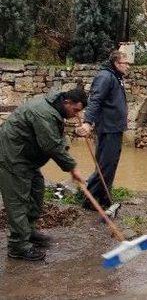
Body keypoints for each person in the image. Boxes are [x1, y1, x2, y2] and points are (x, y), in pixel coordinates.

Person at [0, 89, 87, 261]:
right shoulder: (44, 113)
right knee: (18, 201)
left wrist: (70, 144)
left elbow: (57, 138)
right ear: (67, 102)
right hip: (12, 157)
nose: (77, 114)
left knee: (36, 194)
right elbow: (51, 146)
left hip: (27, 157)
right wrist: (72, 167)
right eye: (76, 110)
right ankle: (18, 247)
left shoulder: (56, 109)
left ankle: (29, 232)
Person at [76, 50, 129, 210]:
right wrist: (87, 122)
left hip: (115, 128)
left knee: (110, 165)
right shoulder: (105, 77)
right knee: (104, 165)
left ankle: (104, 198)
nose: (128, 66)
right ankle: (90, 201)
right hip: (108, 128)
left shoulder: (116, 77)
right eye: (126, 63)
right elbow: (95, 100)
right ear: (116, 63)